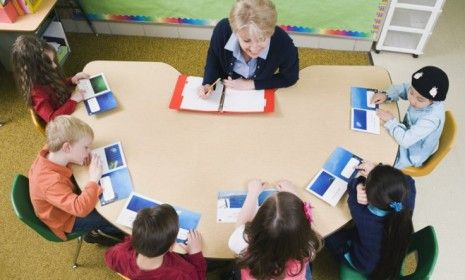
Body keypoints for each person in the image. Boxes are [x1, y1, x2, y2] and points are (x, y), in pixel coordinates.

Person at [29, 115, 124, 245]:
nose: (89, 151)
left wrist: (77, 157)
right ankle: (96, 234)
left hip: (65, 199)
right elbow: (80, 209)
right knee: (113, 216)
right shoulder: (51, 183)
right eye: (86, 147)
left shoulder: (52, 149)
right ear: (67, 147)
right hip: (67, 219)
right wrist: (93, 179)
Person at [325, 162, 416, 279]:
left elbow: (351, 194)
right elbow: (409, 180)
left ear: (368, 197)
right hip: (390, 252)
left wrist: (357, 186)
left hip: (365, 263)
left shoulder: (363, 215)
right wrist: (379, 173)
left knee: (329, 236)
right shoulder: (406, 199)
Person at [199, 0, 299, 98]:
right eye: (247, 40)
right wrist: (208, 82)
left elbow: (290, 77)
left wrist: (252, 84)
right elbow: (214, 57)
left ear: (271, 32)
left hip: (257, 95)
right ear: (236, 33)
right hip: (226, 90)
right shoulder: (222, 30)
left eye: (261, 39)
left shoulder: (283, 41)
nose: (255, 49)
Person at [228, 179, 322, 279]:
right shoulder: (308, 246)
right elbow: (302, 225)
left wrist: (252, 193)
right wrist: (293, 194)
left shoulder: (243, 242)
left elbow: (240, 225)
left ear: (256, 223)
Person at [371, 66, 449, 169]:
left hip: (410, 153)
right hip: (404, 132)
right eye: (411, 93)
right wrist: (387, 95)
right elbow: (404, 88)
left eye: (419, 100)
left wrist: (391, 121)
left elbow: (405, 140)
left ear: (432, 101)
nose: (412, 100)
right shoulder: (420, 90)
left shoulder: (431, 119)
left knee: (372, 155)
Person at [105, 204, 207, 279]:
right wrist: (195, 254)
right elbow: (198, 277)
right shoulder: (183, 273)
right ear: (171, 247)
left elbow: (109, 258)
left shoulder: (117, 254)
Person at [11, 35, 89, 123]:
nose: (55, 65)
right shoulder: (36, 93)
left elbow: (56, 84)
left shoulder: (44, 73)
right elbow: (52, 119)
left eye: (52, 61)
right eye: (50, 63)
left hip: (69, 106)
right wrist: (73, 100)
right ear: (34, 69)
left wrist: (72, 80)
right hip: (63, 122)